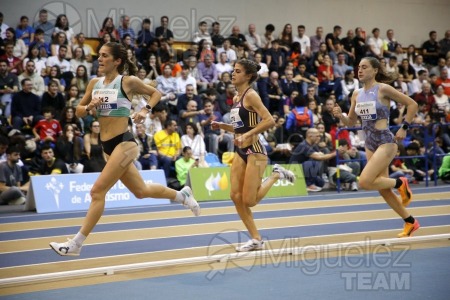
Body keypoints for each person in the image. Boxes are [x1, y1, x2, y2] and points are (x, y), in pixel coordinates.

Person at [49, 42, 200, 256]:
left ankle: (76, 244)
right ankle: (182, 195)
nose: (99, 59)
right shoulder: (94, 83)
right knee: (141, 191)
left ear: (117, 61)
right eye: (98, 55)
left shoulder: (128, 82)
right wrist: (90, 106)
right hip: (108, 147)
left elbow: (155, 94)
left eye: (104, 56)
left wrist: (145, 110)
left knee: (97, 191)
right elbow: (79, 112)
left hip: (125, 143)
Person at [211, 59, 295, 252]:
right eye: (233, 70)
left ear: (248, 76)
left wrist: (248, 135)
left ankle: (276, 174)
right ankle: (256, 239)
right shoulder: (236, 97)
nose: (233, 74)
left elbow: (269, 121)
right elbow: (240, 127)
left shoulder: (251, 96)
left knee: (250, 200)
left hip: (255, 151)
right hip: (240, 150)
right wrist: (222, 126)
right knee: (235, 195)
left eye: (237, 71)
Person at [332, 56, 420, 238]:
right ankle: (411, 222)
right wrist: (340, 115)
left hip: (385, 141)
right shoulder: (356, 94)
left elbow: (413, 104)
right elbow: (351, 121)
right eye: (359, 67)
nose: (360, 70)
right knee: (382, 189)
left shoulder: (383, 89)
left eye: (364, 67)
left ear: (375, 70)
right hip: (369, 143)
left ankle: (400, 182)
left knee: (364, 182)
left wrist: (404, 127)